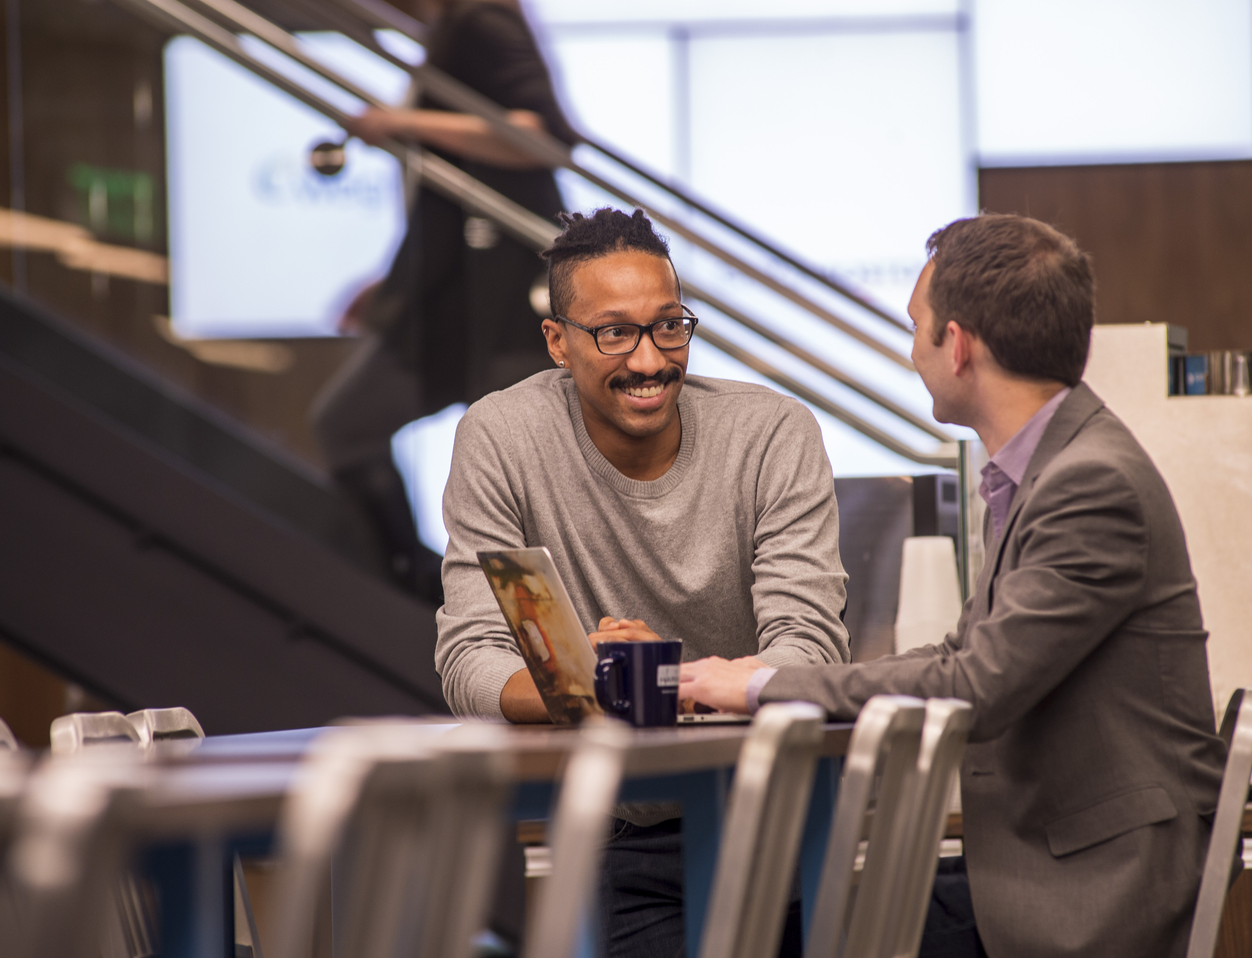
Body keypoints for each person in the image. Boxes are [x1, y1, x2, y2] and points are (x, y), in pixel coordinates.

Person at [681, 214, 1228, 958]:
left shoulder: (1087, 484)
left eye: (917, 328)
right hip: (1056, 858)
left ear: (959, 344)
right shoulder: (1048, 470)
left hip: (1095, 891)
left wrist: (761, 686)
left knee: (780, 931)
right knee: (787, 917)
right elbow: (963, 652)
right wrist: (772, 675)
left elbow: (977, 684)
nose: (913, 353)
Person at [436, 207, 850, 956]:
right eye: (614, 332)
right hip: (624, 836)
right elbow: (472, 659)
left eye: (669, 326)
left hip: (782, 821)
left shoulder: (772, 433)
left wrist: (650, 679)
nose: (652, 359)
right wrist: (588, 682)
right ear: (557, 341)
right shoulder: (503, 438)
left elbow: (812, 652)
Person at [311, 0, 579, 602]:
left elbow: (544, 138)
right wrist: (395, 281)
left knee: (512, 483)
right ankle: (431, 595)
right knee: (352, 425)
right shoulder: (451, 28)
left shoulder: (479, 18)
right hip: (452, 292)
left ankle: (513, 631)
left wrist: (404, 125)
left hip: (501, 296)